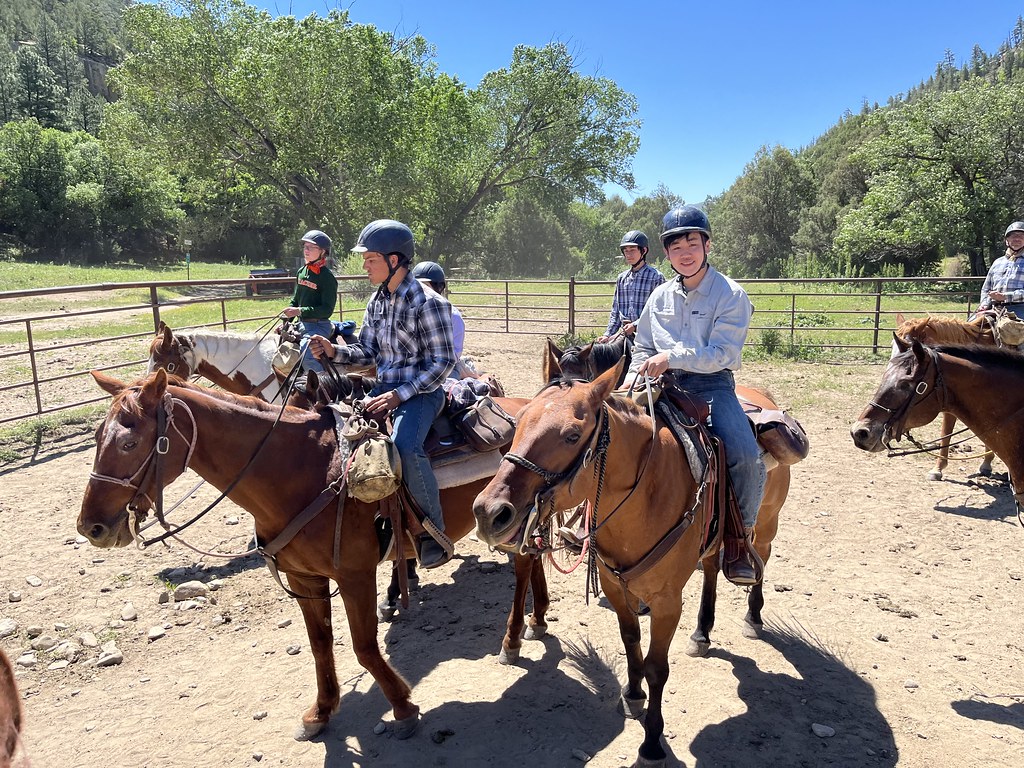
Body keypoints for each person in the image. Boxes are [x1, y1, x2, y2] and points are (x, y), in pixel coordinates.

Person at [627, 205, 765, 585]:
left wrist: (672, 357)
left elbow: (724, 353)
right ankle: (594, 527)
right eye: (676, 246)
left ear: (707, 244)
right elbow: (642, 346)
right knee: (609, 437)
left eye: (692, 242)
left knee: (743, 453)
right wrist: (632, 381)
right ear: (667, 254)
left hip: (710, 385)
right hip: (657, 383)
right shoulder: (658, 297)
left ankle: (739, 538)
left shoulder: (730, 294)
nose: (685, 252)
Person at [310, 220, 456, 569]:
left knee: (405, 446)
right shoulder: (377, 301)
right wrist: (335, 352)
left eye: (370, 258)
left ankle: (430, 530)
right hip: (382, 388)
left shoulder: (429, 302)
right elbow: (369, 352)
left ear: (394, 260)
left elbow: (443, 363)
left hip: (423, 393)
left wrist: (398, 396)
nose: (364, 266)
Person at [281, 230, 338, 374]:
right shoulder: (302, 271)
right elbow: (296, 299)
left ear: (323, 252)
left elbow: (327, 309)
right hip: (302, 323)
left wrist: (300, 311)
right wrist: (288, 317)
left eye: (311, 247)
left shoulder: (327, 278)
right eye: (305, 247)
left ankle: (321, 385)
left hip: (319, 325)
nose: (306, 250)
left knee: (308, 350)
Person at [596, 230, 665, 343]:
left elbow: (657, 311)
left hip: (648, 336)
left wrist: (635, 325)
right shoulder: (622, 279)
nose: (628, 254)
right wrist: (608, 334)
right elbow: (616, 311)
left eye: (632, 250)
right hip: (624, 335)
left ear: (644, 251)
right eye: (626, 251)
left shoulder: (656, 277)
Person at [977, 221, 1024, 318]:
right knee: (968, 328)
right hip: (995, 307)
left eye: (1021, 236)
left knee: (1010, 329)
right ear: (1007, 240)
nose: (1017, 238)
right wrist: (984, 304)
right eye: (1013, 236)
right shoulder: (997, 262)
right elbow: (986, 288)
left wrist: (1005, 296)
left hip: (1020, 308)